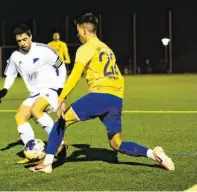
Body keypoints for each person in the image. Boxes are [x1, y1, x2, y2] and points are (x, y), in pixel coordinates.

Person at [29, 13, 175, 173]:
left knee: (60, 122)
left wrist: (61, 97)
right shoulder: (107, 49)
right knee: (116, 144)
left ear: (85, 30)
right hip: (115, 99)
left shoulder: (85, 48)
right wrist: (116, 97)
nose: (77, 35)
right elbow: (118, 77)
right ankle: (154, 155)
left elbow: (75, 75)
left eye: (78, 31)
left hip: (99, 96)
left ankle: (47, 163)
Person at [0, 24, 68, 164]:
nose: (22, 43)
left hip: (51, 89)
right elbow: (10, 75)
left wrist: (60, 88)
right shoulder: (15, 56)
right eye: (19, 41)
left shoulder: (44, 50)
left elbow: (61, 67)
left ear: (30, 37)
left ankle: (61, 143)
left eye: (25, 39)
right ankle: (32, 152)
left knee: (36, 109)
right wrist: (5, 89)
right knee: (20, 116)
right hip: (35, 93)